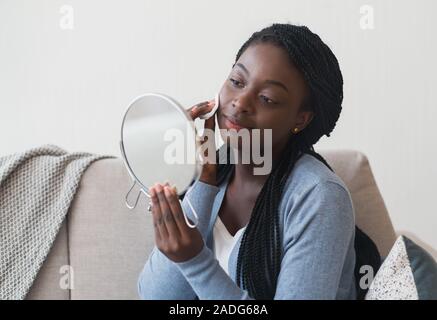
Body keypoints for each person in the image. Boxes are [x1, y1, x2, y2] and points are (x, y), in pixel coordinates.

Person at [138, 23, 359, 299]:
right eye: (237, 82)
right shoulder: (209, 172)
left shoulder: (319, 197)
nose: (241, 102)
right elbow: (156, 296)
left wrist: (195, 261)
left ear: (301, 119)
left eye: (267, 98)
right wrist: (203, 184)